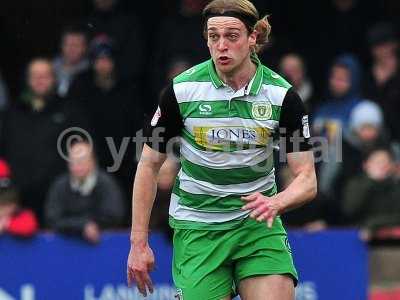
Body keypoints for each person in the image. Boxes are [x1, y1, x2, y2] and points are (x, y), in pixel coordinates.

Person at [127, 1, 317, 299]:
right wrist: (139, 243)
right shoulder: (182, 91)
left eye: (232, 36)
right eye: (213, 36)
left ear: (252, 38)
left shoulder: (282, 96)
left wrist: (276, 203)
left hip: (256, 224)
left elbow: (306, 178)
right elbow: (149, 166)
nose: (221, 45)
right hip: (199, 226)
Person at [0, 58, 89, 224]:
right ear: (27, 80)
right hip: (18, 199)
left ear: (54, 79)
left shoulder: (70, 111)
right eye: (35, 76)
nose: (40, 80)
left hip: (59, 198)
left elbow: (84, 150)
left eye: (45, 76)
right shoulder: (12, 113)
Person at [45, 140, 125, 243]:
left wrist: (95, 225)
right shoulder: (59, 186)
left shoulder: (106, 184)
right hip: (66, 247)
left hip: (104, 246)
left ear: (93, 161)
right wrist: (82, 226)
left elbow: (115, 215)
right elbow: (52, 218)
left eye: (82, 160)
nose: (77, 165)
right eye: (73, 161)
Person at [0, 159, 38, 237]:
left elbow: (29, 225)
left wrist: (7, 224)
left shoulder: (16, 214)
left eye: (8, 202)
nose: (6, 207)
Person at [53, 25, 90, 98]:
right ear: (62, 46)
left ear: (85, 48)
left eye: (76, 45)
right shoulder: (49, 68)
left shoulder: (90, 71)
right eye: (68, 44)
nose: (71, 49)